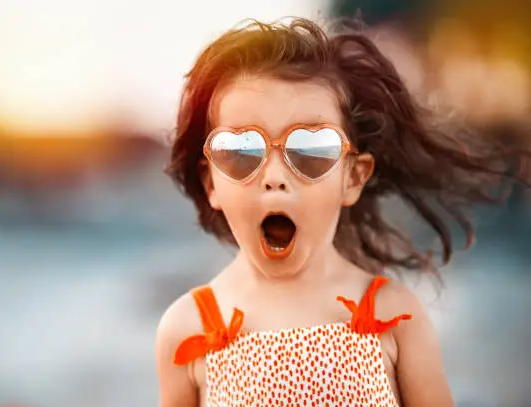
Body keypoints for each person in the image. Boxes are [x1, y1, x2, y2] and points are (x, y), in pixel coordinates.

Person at [155, 17, 529, 406]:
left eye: (311, 150)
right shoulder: (188, 329)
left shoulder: (394, 315)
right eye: (242, 151)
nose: (276, 177)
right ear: (211, 182)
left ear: (353, 177)